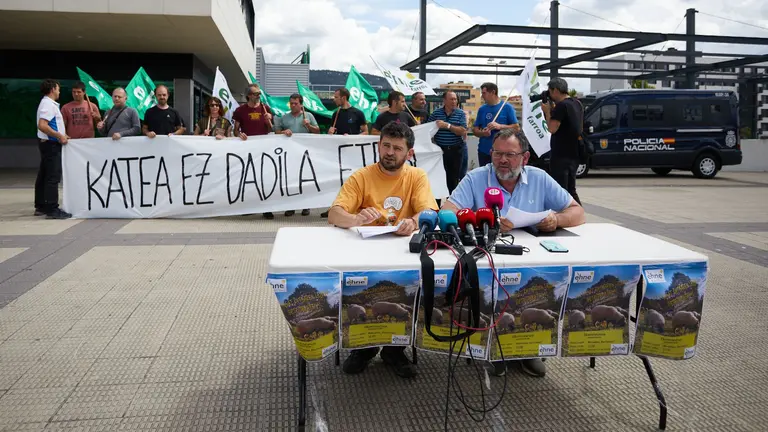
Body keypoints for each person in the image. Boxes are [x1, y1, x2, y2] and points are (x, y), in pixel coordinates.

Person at [441, 129, 585, 378]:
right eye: (497, 154)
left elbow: (577, 212)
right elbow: (448, 210)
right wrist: (480, 222)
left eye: (510, 154)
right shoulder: (476, 178)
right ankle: (492, 347)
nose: (502, 160)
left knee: (536, 299)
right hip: (489, 261)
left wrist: (556, 220)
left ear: (525, 158)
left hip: (532, 262)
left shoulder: (540, 178)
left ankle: (527, 349)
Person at [328, 122, 438, 378]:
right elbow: (334, 214)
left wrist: (414, 221)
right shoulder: (362, 176)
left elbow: (429, 211)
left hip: (403, 256)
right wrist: (355, 219)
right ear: (378, 145)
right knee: (361, 289)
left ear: (409, 153)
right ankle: (364, 347)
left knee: (406, 292)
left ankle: (394, 349)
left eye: (397, 148)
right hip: (365, 255)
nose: (390, 152)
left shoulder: (417, 176)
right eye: (386, 145)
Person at [321, 87, 368, 218]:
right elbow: (332, 133)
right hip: (338, 153)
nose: (334, 99)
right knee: (336, 180)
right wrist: (330, 133)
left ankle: (351, 206)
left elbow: (365, 131)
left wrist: (353, 137)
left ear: (343, 98)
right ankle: (334, 207)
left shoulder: (358, 113)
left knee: (352, 180)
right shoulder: (336, 114)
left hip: (353, 152)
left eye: (336, 97)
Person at [233, 84, 275, 219]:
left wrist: (269, 121)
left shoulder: (265, 108)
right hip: (248, 148)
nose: (259, 96)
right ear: (249, 96)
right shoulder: (240, 111)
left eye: (259, 94)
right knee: (249, 176)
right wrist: (239, 135)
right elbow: (235, 130)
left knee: (264, 176)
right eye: (256, 94)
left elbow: (270, 129)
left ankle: (266, 208)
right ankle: (250, 206)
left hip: (263, 147)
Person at [274, 93, 319, 216]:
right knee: (291, 179)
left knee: (305, 178)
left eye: (296, 103)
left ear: (301, 104)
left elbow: (318, 131)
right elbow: (277, 132)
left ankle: (306, 205)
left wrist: (308, 125)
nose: (293, 106)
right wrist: (283, 132)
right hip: (290, 153)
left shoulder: (308, 116)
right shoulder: (285, 117)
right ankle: (291, 206)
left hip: (305, 152)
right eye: (291, 103)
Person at [542, 78, 583, 205]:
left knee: (561, 190)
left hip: (561, 155)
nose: (550, 95)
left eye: (550, 92)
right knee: (571, 189)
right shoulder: (577, 103)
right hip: (574, 153)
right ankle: (578, 213)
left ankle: (571, 214)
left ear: (555, 90)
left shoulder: (561, 106)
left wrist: (547, 112)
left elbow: (552, 129)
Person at [34, 79, 71, 219]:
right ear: (52, 89)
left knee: (44, 174)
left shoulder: (47, 103)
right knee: (52, 176)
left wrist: (63, 134)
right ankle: (52, 209)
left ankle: (41, 205)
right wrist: (59, 136)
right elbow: (42, 125)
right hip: (51, 144)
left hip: (47, 142)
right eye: (58, 88)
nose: (59, 91)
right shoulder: (48, 104)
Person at [427, 90, 467, 195]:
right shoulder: (436, 113)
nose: (454, 101)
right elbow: (428, 129)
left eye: (455, 99)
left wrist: (447, 126)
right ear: (444, 100)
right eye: (451, 99)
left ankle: (451, 203)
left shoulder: (460, 113)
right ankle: (438, 204)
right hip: (440, 151)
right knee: (439, 178)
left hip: (456, 151)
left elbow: (462, 131)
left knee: (453, 179)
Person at [473, 82, 519, 167]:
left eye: (484, 93)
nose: (482, 96)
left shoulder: (507, 108)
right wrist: (483, 133)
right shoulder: (482, 109)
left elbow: (516, 128)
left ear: (493, 92)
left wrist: (500, 126)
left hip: (502, 153)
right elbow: (475, 130)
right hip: (484, 151)